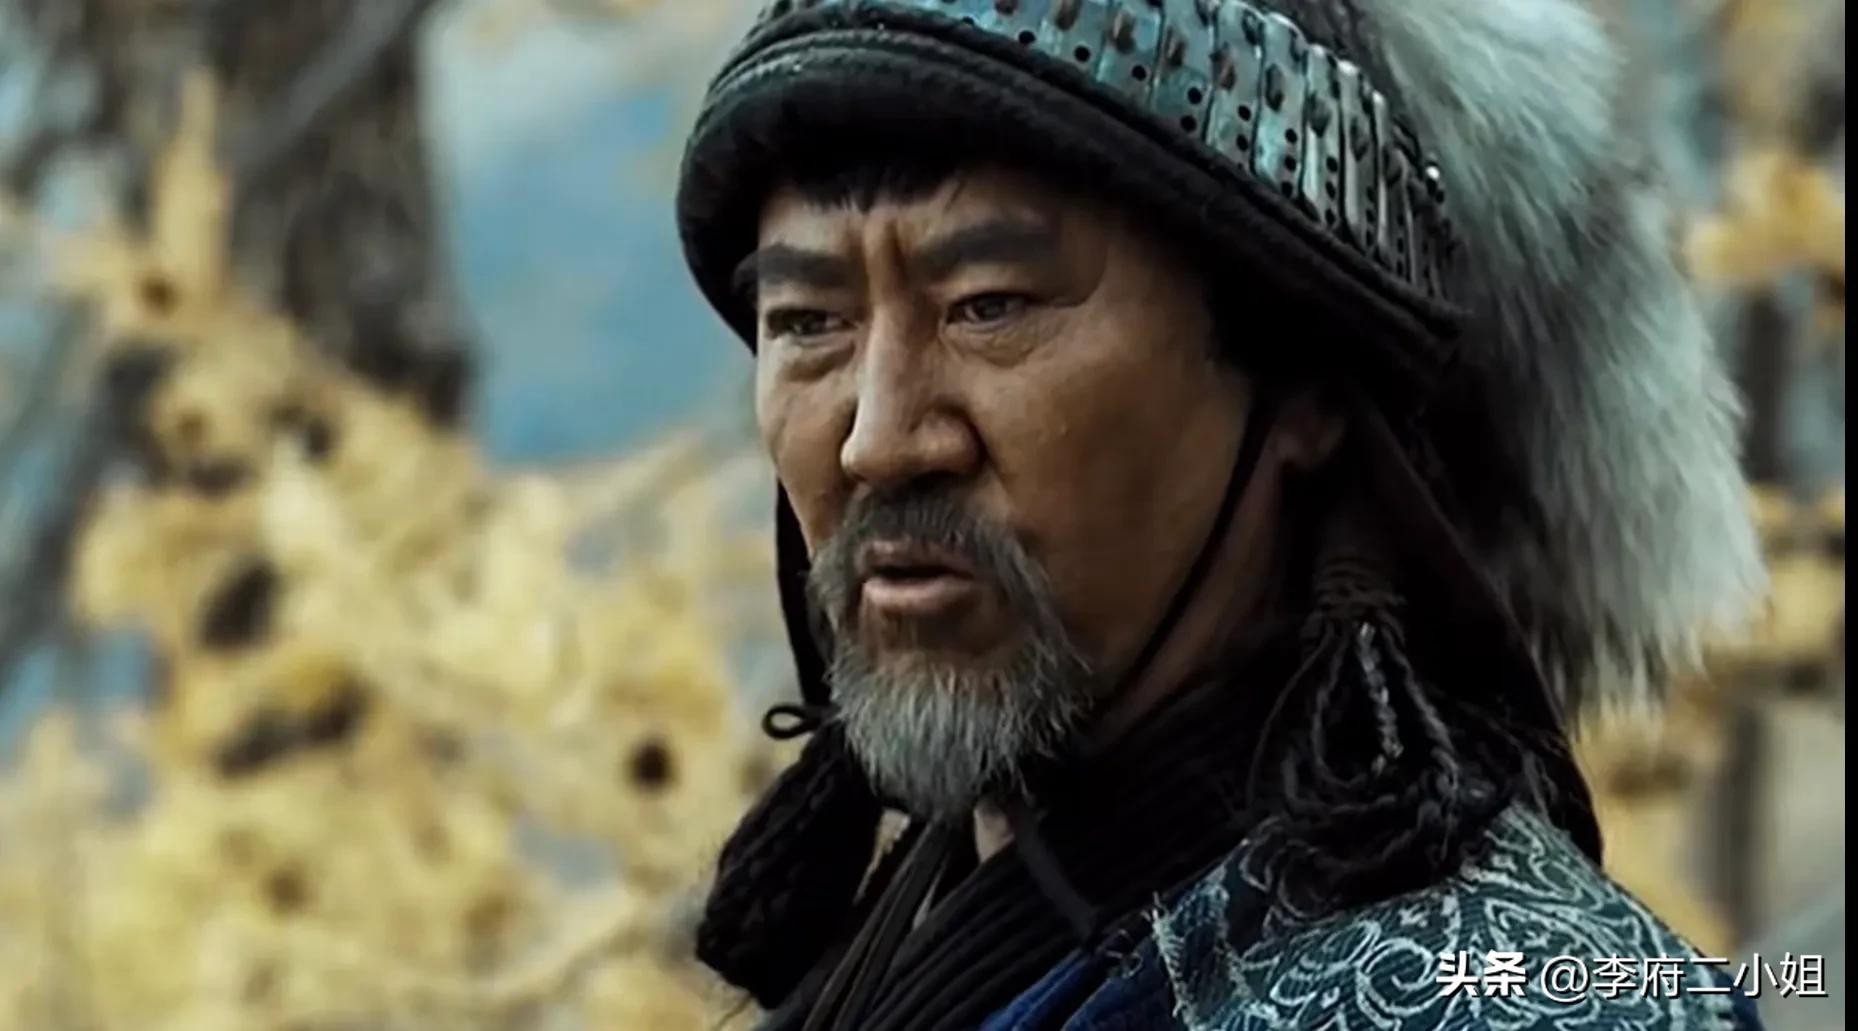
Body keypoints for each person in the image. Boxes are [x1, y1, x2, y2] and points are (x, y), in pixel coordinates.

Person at [671, 0, 1770, 1027]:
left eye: (988, 305)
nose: (876, 440)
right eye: (808, 321)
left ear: (1298, 382)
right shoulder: (905, 938)